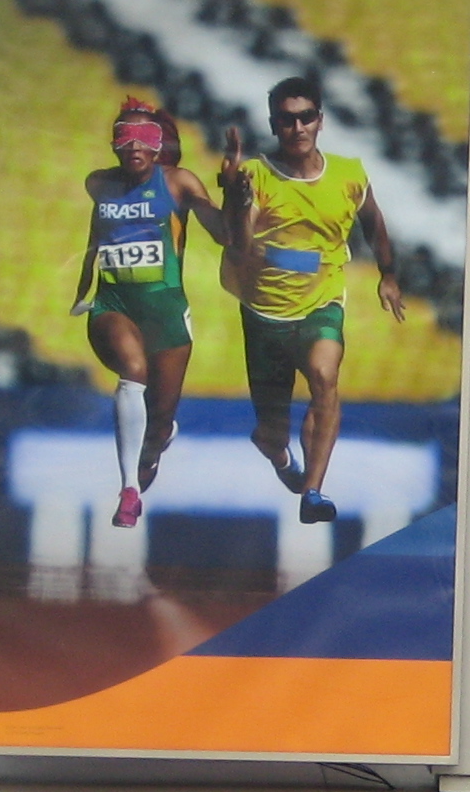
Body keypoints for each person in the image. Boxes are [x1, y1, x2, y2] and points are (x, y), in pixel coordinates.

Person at [216, 76, 402, 526]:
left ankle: (313, 492)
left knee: (325, 375)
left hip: (322, 302)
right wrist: (236, 199)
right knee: (271, 433)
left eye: (306, 117)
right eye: (287, 120)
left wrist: (388, 275)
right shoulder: (257, 176)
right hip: (265, 312)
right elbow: (239, 248)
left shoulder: (349, 174)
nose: (297, 128)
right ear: (274, 125)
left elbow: (374, 223)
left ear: (320, 120)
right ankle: (281, 457)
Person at [69, 100, 221, 529]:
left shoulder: (177, 182)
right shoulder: (99, 184)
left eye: (146, 137)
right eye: (125, 135)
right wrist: (84, 290)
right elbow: (95, 238)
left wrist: (234, 197)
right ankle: (129, 490)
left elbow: (223, 233)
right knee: (132, 371)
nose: (135, 144)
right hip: (114, 304)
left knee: (158, 426)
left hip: (166, 310)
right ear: (114, 143)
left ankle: (155, 444)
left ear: (159, 146)